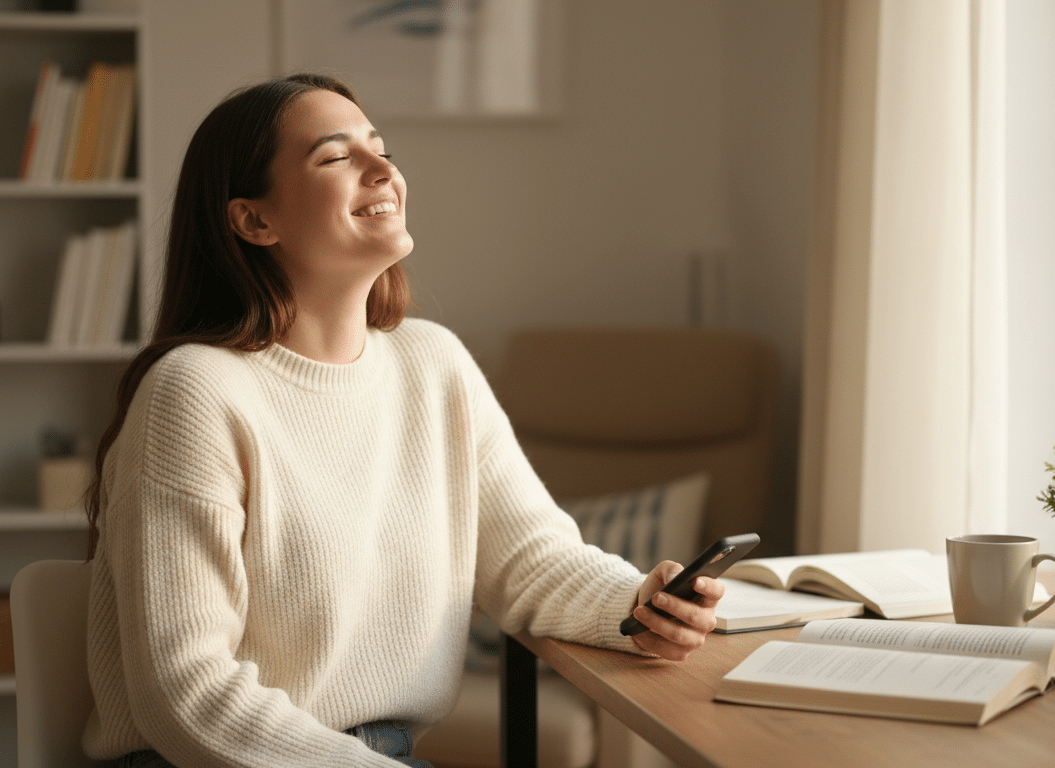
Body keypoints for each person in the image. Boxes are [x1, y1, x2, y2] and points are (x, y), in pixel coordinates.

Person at [82, 73, 726, 768]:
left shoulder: (433, 364)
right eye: (335, 157)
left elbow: (531, 560)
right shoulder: (195, 393)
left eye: (380, 148)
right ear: (254, 220)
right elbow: (187, 693)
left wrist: (638, 606)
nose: (383, 169)